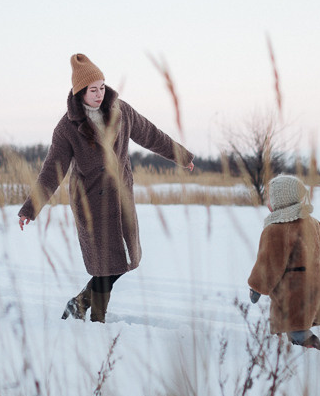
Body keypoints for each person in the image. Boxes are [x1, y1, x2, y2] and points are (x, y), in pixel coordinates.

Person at [19, 53, 194, 322]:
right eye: (93, 90)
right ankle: (97, 320)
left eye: (102, 87)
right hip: (91, 203)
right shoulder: (67, 128)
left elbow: (151, 135)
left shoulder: (121, 111)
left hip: (121, 196)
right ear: (80, 92)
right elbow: (52, 170)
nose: (99, 94)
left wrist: (182, 156)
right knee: (104, 265)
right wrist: (31, 208)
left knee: (122, 262)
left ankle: (80, 303)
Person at [247, 174, 320, 349]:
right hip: (318, 284)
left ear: (281, 201)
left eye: (270, 198)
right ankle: (296, 347)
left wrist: (257, 287)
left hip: (295, 290)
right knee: (296, 323)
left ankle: (316, 350)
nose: (267, 201)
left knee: (295, 326)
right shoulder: (311, 221)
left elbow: (268, 263)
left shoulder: (276, 229)